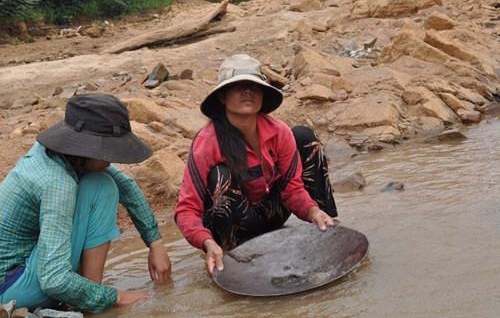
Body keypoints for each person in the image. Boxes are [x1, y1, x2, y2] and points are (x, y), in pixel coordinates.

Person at [0, 94, 171, 312]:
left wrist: (155, 243)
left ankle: (85, 293)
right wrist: (114, 297)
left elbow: (126, 184)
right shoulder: (57, 184)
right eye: (107, 151)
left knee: (105, 180)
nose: (111, 159)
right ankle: (91, 300)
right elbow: (54, 279)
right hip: (10, 289)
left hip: (16, 271)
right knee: (102, 187)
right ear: (85, 149)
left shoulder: (54, 154)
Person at [175, 54, 338, 275]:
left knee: (305, 138)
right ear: (222, 97)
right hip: (234, 225)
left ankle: (326, 227)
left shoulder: (279, 131)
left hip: (271, 212)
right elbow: (187, 209)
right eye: (238, 87)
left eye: (253, 87)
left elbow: (292, 187)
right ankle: (231, 255)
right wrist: (207, 242)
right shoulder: (207, 142)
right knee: (220, 176)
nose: (247, 92)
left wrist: (312, 211)